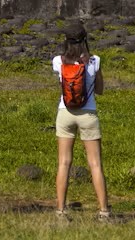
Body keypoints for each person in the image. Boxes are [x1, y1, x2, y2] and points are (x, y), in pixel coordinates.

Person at [50, 20, 111, 220]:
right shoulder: (95, 61)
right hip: (88, 114)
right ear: (85, 39)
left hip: (65, 112)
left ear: (66, 41)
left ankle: (60, 210)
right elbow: (100, 91)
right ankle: (103, 211)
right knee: (95, 164)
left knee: (64, 163)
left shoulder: (58, 61)